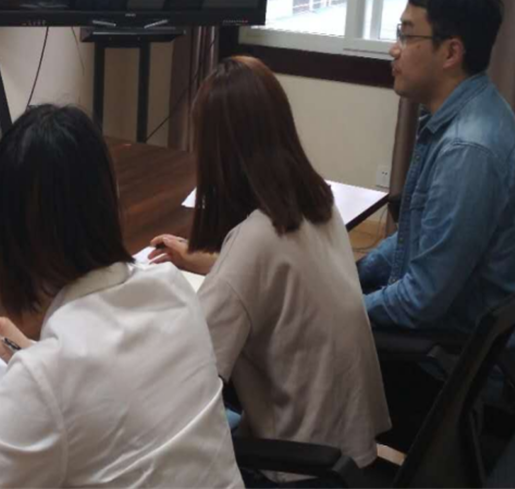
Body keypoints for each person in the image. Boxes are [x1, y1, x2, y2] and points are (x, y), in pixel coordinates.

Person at [0, 105, 244, 488]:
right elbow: (111, 379)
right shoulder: (173, 289)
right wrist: (32, 351)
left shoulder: (45, 382)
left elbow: (69, 383)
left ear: (9, 238)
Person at [150, 56, 390, 485]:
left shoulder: (255, 241)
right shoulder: (316, 204)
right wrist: (207, 261)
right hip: (347, 456)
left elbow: (189, 375)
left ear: (219, 152)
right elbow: (276, 283)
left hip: (296, 468)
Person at [355, 0, 515, 449]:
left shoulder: (468, 149)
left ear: (451, 52)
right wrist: (356, 273)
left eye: (406, 36)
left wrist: (339, 307)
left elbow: (420, 302)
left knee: (283, 350)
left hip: (453, 375)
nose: (394, 50)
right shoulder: (468, 113)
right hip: (453, 346)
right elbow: (417, 236)